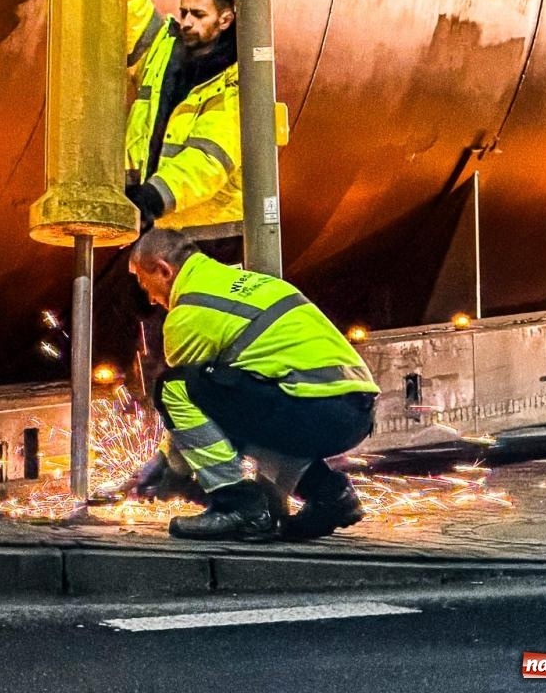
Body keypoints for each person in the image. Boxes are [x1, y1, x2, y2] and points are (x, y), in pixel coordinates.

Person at [123, 229, 379, 542]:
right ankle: (330, 495)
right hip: (354, 411)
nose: (150, 298)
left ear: (164, 270)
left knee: (171, 386)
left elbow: (188, 407)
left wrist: (170, 471)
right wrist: (164, 463)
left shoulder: (190, 312)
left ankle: (237, 506)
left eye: (144, 283)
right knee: (237, 412)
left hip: (315, 410)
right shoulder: (245, 282)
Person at [118, 0, 243, 248]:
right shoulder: (164, 48)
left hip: (210, 236)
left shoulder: (236, 79)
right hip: (157, 225)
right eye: (184, 12)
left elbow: (208, 160)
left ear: (225, 20)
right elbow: (130, 7)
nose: (186, 21)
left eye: (198, 15)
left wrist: (150, 198)